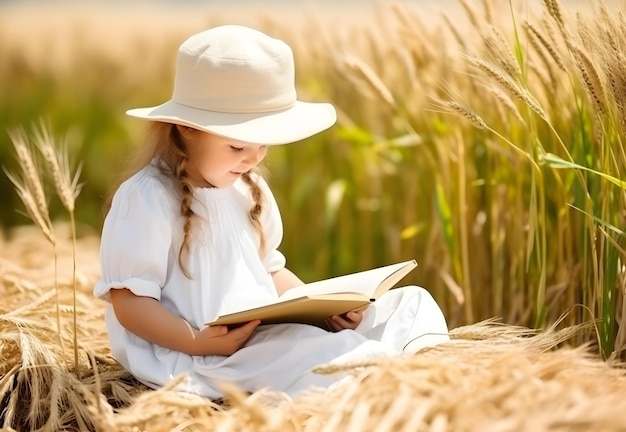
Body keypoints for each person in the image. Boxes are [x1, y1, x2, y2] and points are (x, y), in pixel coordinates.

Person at [93, 25, 450, 399]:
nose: (253, 159)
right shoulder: (148, 198)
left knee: (413, 303)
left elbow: (270, 270)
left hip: (259, 334)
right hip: (197, 352)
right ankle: (381, 372)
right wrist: (199, 342)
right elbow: (130, 303)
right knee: (320, 353)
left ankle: (391, 368)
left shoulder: (249, 189)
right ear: (186, 128)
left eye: (263, 145)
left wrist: (322, 311)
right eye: (236, 147)